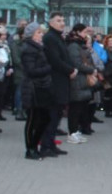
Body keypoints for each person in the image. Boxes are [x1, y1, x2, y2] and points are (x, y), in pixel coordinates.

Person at [41, 13, 76, 157]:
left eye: (63, 20)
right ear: (51, 23)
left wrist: (72, 69)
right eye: (58, 20)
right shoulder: (50, 38)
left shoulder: (58, 37)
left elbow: (66, 57)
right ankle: (45, 146)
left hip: (62, 81)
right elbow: (55, 60)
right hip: (54, 82)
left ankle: (51, 144)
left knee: (57, 115)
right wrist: (70, 70)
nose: (62, 23)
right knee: (52, 115)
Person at [20, 22, 53, 160]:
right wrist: (48, 68)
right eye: (39, 33)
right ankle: (30, 149)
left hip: (42, 87)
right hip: (33, 88)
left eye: (42, 33)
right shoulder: (28, 49)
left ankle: (35, 145)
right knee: (33, 119)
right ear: (31, 35)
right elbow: (31, 71)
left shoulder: (40, 48)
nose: (41, 35)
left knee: (45, 118)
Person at [65, 24, 98, 144]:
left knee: (80, 108)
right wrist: (91, 70)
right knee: (75, 108)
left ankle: (75, 131)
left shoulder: (80, 45)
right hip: (77, 81)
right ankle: (72, 132)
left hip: (82, 81)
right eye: (84, 32)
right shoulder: (73, 46)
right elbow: (76, 63)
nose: (86, 35)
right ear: (77, 32)